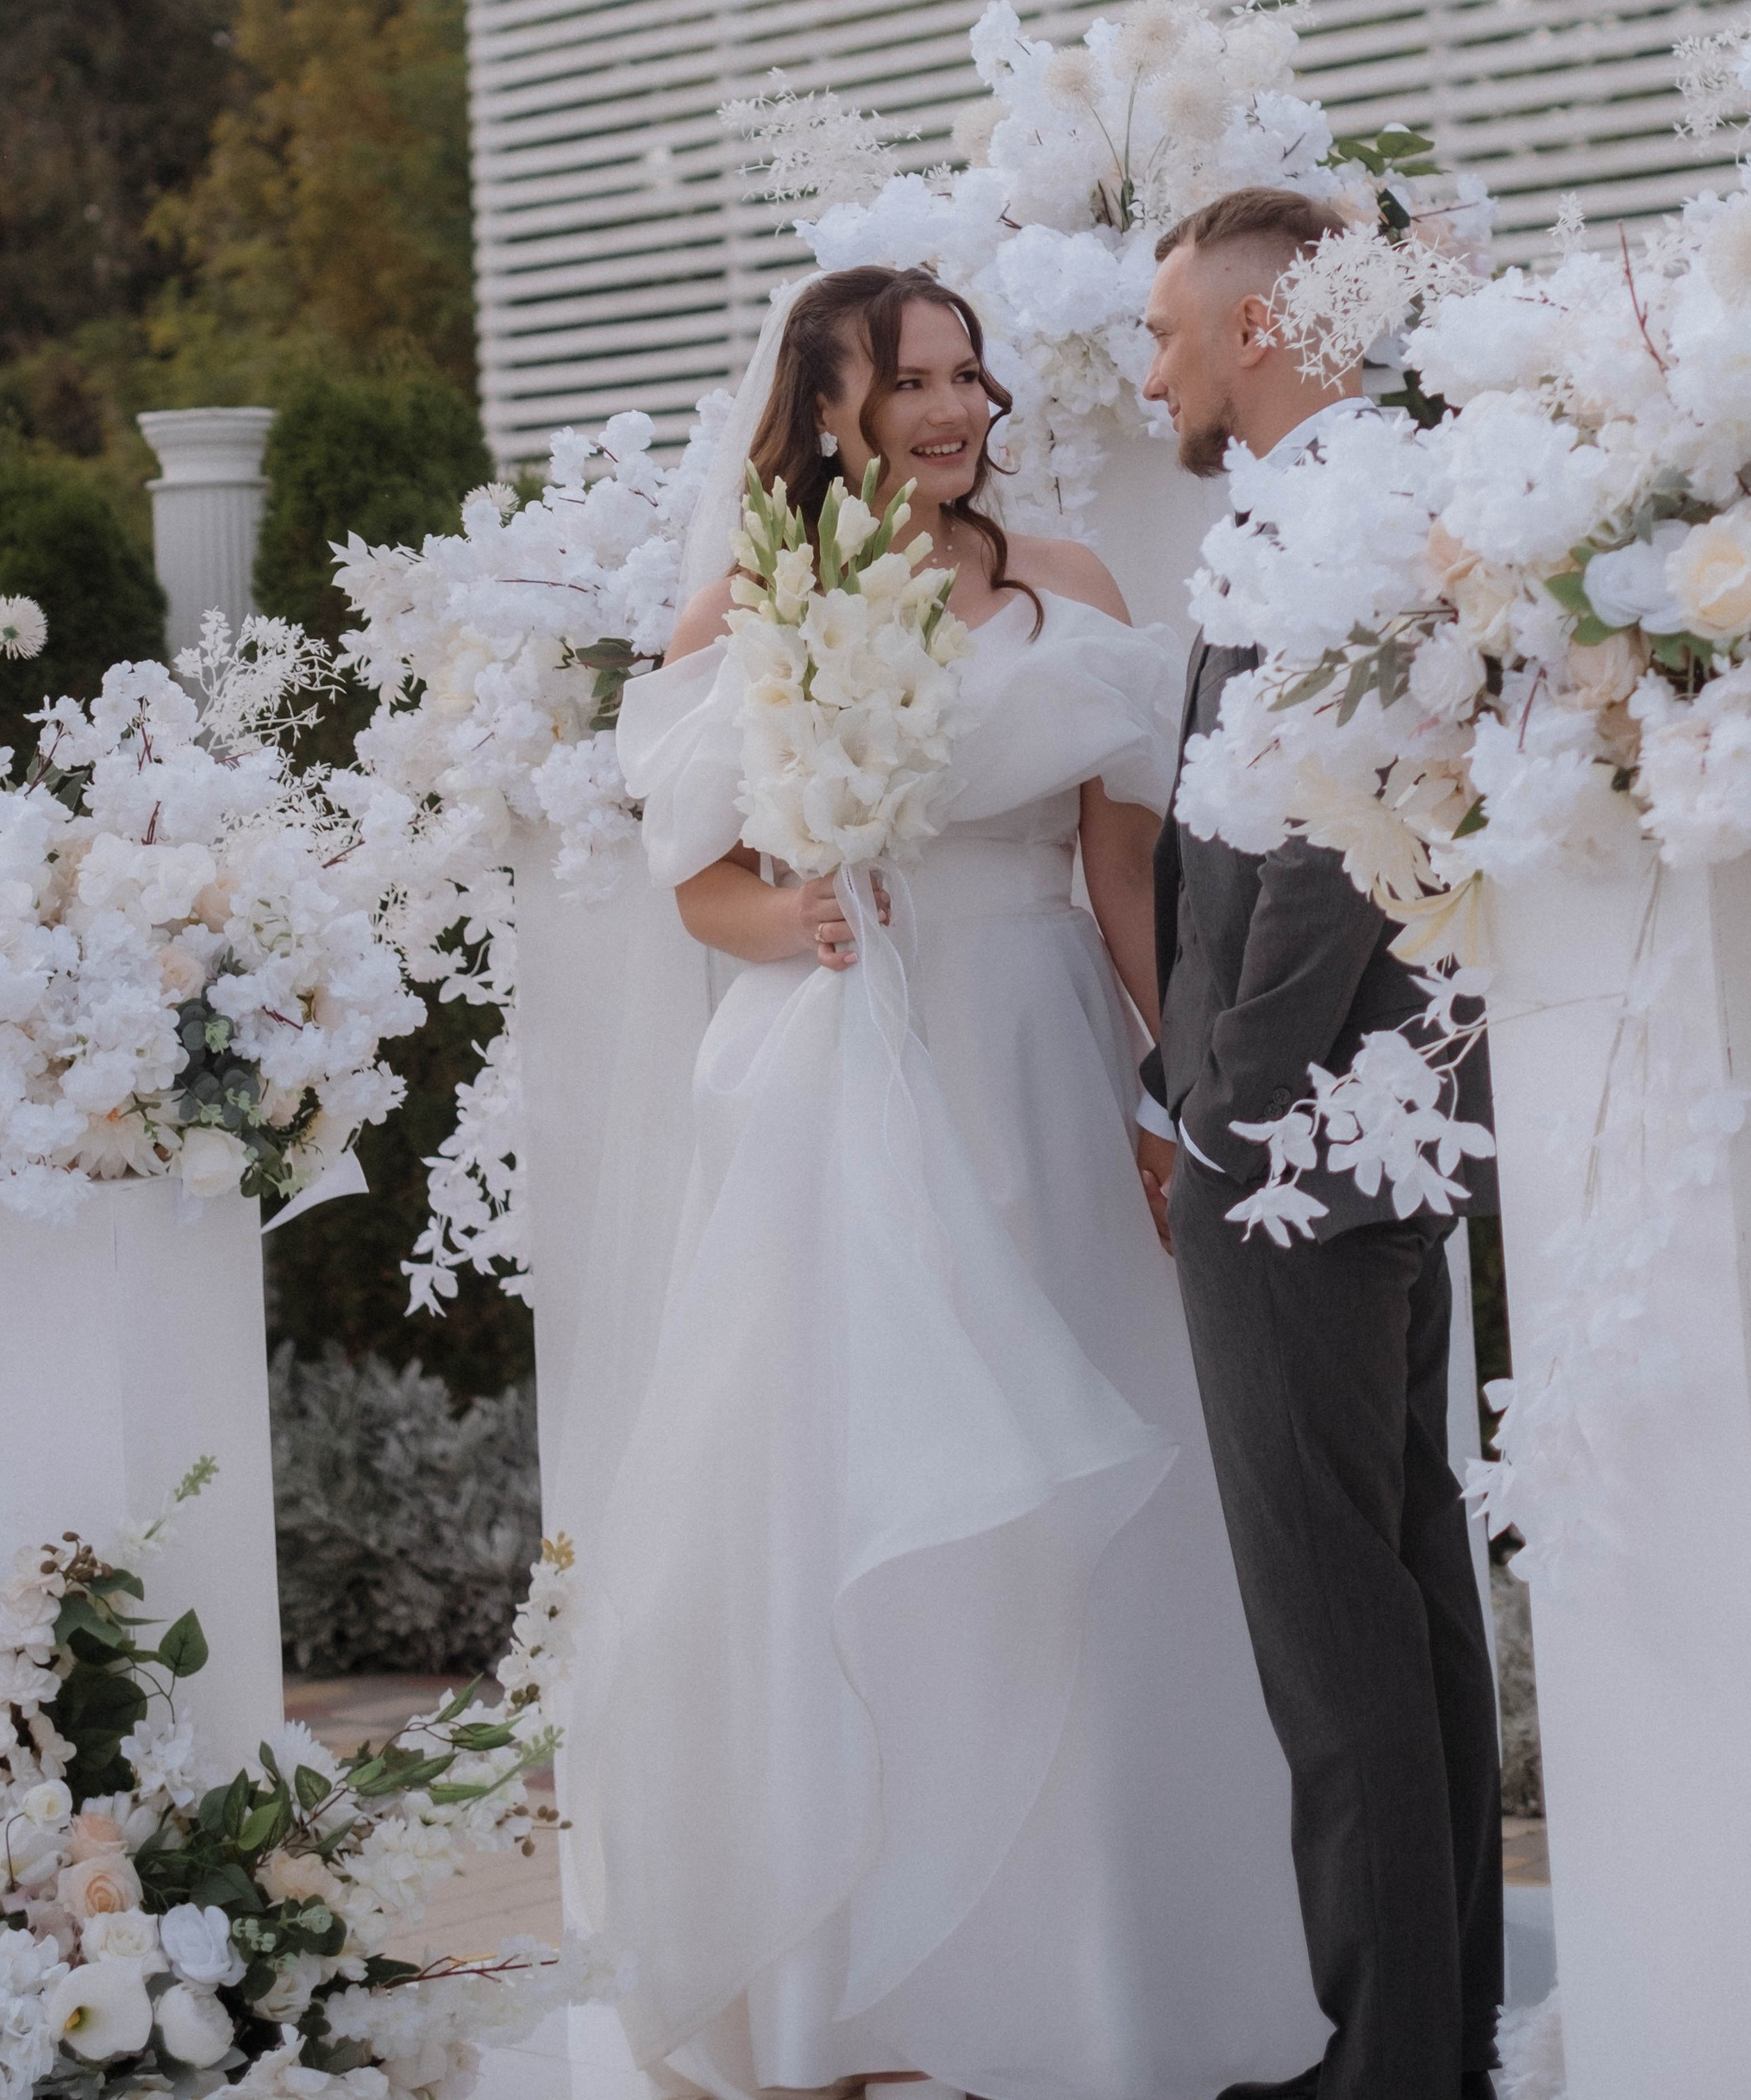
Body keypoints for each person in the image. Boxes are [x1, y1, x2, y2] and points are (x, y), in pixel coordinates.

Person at [565, 262, 1320, 2100]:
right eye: (910, 380)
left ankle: (1091, 1972)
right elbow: (699, 888)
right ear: (821, 403)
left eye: (968, 376)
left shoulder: (1064, 590)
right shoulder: (742, 608)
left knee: (1098, 1500)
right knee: (853, 1505)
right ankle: (866, 2000)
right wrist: (795, 908)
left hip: (1040, 1066)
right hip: (829, 1090)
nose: (953, 409)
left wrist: (1175, 1092)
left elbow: (1125, 877)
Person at [1135, 190, 1504, 2100]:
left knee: (1328, 1615)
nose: (1152, 364)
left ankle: (1393, 2069)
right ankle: (1425, 2046)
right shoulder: (1335, 492)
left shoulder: (1341, 509)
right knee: (1400, 1583)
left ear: (1260, 333)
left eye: (1168, 329)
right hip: (1369, 1130)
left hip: (1298, 1148)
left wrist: (1219, 1104)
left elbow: (1320, 849)